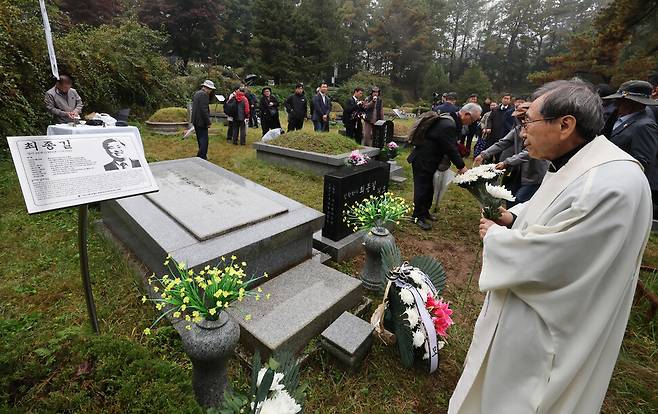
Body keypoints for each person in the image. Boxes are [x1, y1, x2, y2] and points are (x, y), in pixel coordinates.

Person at [449, 79, 652, 414]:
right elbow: (556, 208)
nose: (522, 131)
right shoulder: (581, 164)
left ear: (565, 125)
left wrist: (496, 238)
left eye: (528, 121)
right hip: (536, 320)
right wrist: (513, 218)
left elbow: (559, 260)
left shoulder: (608, 184)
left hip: (550, 333)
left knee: (523, 399)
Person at [408, 103, 481, 230]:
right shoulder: (448, 124)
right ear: (467, 114)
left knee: (429, 187)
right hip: (423, 159)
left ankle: (425, 212)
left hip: (430, 159)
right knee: (422, 188)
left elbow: (451, 145)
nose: (472, 123)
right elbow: (450, 148)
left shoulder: (451, 121)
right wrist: (461, 166)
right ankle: (417, 216)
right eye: (473, 120)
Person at [474, 101, 549, 205]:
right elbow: (503, 143)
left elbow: (528, 153)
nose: (521, 120)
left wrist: (506, 162)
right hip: (517, 172)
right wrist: (484, 154)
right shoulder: (517, 129)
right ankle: (510, 220)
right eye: (519, 117)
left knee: (520, 200)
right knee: (510, 197)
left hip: (533, 174)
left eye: (523, 117)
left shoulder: (540, 131)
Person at [602, 80, 658, 214]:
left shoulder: (644, 125)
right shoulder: (618, 119)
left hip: (623, 187)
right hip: (609, 181)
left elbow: (642, 162)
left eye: (622, 100)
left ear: (634, 102)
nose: (616, 103)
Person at [483, 93, 515, 160]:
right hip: (494, 133)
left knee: (501, 152)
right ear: (502, 99)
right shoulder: (495, 109)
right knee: (491, 148)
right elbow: (489, 119)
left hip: (505, 134)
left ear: (510, 100)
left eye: (507, 99)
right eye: (504, 98)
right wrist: (488, 127)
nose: (505, 100)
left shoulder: (512, 111)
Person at [191, 80, 215, 159]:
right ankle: (201, 157)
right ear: (207, 88)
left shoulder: (197, 93)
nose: (211, 91)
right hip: (201, 121)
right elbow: (204, 110)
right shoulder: (204, 95)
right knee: (204, 141)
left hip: (195, 120)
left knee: (200, 139)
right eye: (210, 89)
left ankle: (202, 156)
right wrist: (208, 122)